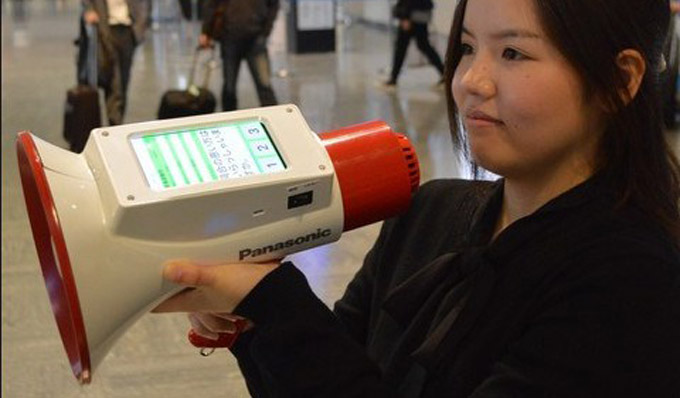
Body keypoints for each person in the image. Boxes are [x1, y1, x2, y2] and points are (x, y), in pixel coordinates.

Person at [153, 0, 680, 396]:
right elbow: (339, 365)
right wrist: (249, 316)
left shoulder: (632, 279)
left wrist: (272, 298)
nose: (470, 80)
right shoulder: (431, 209)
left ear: (619, 79)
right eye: (469, 47)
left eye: (514, 53)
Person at [199, 0, 279, 111]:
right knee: (229, 88)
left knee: (264, 85)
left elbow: (274, 4)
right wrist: (206, 31)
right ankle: (229, 120)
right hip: (229, 37)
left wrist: (266, 30)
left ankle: (274, 119)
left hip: (256, 38)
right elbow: (211, 5)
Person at [81, 0, 150, 125]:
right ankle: (114, 120)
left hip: (128, 30)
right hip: (104, 29)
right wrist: (89, 10)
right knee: (112, 77)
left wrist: (140, 27)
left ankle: (116, 119)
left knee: (123, 80)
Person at [378, 0, 445, 91]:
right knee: (422, 45)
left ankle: (393, 79)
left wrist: (405, 17)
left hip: (412, 17)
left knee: (402, 48)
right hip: (418, 16)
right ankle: (444, 74)